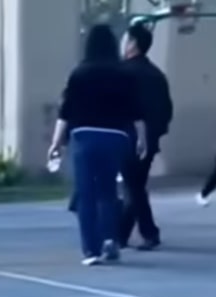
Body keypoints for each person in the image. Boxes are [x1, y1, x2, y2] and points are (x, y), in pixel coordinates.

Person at [49, 23, 146, 266]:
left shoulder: (79, 73)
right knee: (108, 191)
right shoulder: (124, 74)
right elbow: (136, 111)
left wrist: (56, 142)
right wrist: (142, 139)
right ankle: (111, 239)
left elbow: (66, 111)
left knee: (86, 193)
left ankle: (91, 250)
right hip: (116, 137)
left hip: (84, 136)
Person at [118, 21, 173, 250]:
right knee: (135, 185)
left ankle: (148, 232)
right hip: (150, 139)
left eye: (125, 39)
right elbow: (167, 109)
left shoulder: (122, 73)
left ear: (132, 44)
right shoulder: (157, 75)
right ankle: (120, 234)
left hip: (127, 137)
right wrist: (156, 134)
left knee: (133, 186)